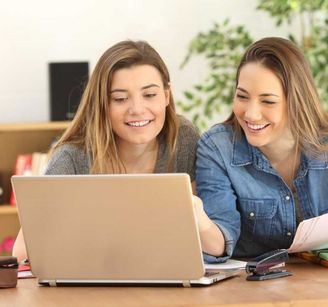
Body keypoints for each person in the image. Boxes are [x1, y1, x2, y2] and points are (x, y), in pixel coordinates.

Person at [194, 37, 328, 262]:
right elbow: (221, 240)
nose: (251, 114)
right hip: (255, 289)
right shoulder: (217, 148)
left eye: (268, 101)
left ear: (297, 101)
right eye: (242, 96)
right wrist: (196, 217)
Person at [13, 40, 200, 261]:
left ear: (167, 96)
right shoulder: (73, 158)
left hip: (166, 276)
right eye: (120, 99)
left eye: (149, 95)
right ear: (103, 104)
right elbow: (22, 254)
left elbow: (196, 233)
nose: (137, 110)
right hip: (90, 285)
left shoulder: (183, 137)